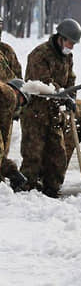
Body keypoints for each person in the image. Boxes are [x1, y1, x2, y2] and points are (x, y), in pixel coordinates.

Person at [20, 19, 81, 197]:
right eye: (70, 42)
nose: (71, 47)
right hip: (35, 114)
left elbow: (71, 80)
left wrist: (71, 97)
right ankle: (27, 194)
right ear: (61, 38)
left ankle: (52, 191)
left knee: (57, 157)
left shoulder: (67, 56)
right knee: (33, 156)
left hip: (55, 114)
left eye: (74, 44)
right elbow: (43, 83)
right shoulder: (39, 55)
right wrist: (63, 94)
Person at [0, 15, 23, 185]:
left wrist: (19, 103)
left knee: (4, 147)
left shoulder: (6, 51)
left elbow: (18, 79)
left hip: (8, 109)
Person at [1, 79, 30, 191]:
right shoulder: (10, 95)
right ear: (18, 92)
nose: (19, 106)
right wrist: (13, 172)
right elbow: (3, 135)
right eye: (22, 101)